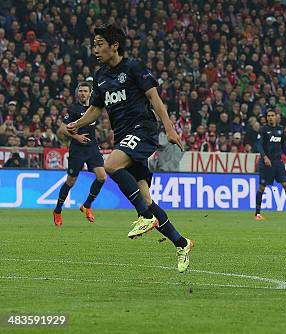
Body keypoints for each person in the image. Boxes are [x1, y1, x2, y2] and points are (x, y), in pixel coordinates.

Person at [66, 24, 193, 272]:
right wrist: (78, 123)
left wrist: (169, 128)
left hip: (142, 130)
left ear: (115, 45)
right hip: (123, 136)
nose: (95, 49)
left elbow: (154, 98)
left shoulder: (134, 68)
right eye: (94, 44)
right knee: (146, 199)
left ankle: (144, 217)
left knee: (110, 165)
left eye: (99, 44)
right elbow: (96, 109)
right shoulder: (101, 76)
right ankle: (182, 242)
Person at [53, 81, 107, 226]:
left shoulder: (94, 107)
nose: (82, 93)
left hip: (92, 147)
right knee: (71, 181)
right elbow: (62, 129)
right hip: (77, 149)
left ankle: (87, 205)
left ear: (90, 93)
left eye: (85, 91)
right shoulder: (73, 109)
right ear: (77, 93)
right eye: (80, 91)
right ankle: (57, 210)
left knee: (102, 177)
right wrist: (76, 137)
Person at [254, 110, 286, 220]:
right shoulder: (263, 130)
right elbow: (259, 145)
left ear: (276, 117)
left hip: (278, 163)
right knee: (262, 187)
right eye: (268, 116)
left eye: (272, 115)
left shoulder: (280, 130)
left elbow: (283, 145)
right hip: (266, 163)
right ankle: (257, 214)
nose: (270, 118)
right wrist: (264, 157)